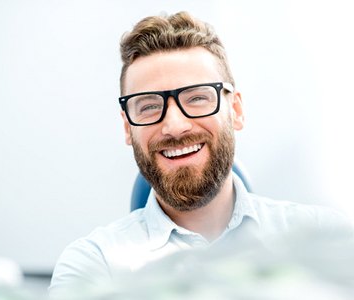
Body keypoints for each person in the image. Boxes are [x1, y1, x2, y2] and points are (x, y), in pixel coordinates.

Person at [49, 11, 352, 297]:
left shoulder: (327, 239)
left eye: (196, 98)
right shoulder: (94, 266)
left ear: (235, 110)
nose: (175, 126)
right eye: (150, 106)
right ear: (128, 128)